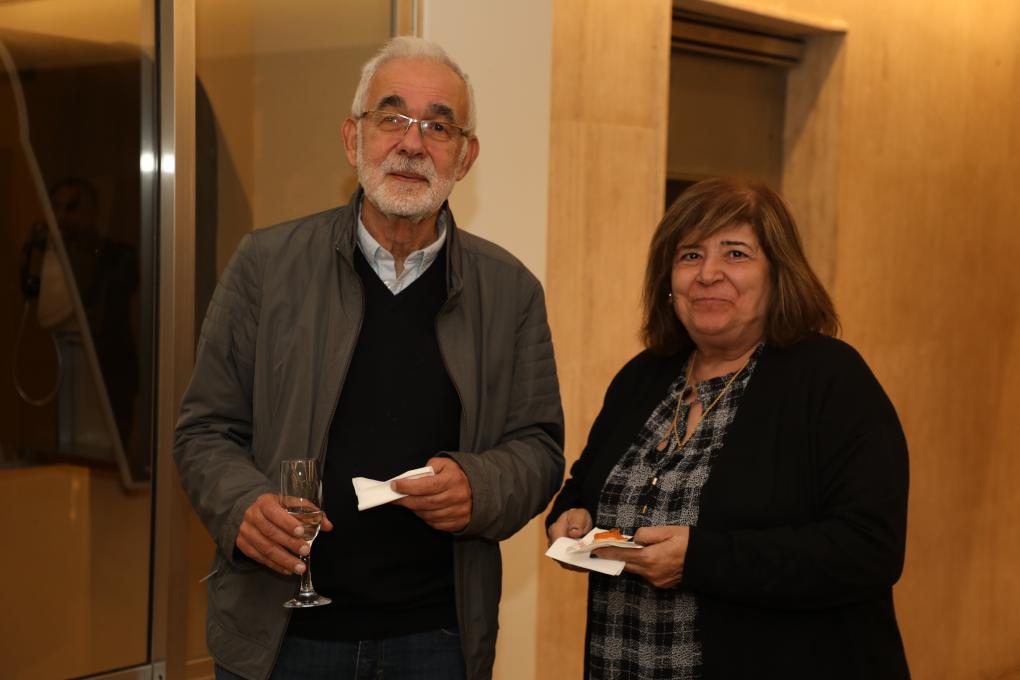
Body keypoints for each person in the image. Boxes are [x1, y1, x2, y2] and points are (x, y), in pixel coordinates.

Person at [175, 37, 564, 680]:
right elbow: (204, 429)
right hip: (283, 635)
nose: (412, 144)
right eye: (392, 118)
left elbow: (540, 447)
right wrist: (241, 504)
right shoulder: (266, 266)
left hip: (438, 638)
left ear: (465, 156)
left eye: (438, 126)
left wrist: (481, 485)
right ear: (353, 138)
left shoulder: (511, 290)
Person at [546, 177, 909, 679]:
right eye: (690, 255)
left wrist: (701, 560)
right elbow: (584, 485)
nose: (708, 274)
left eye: (735, 254)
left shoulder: (831, 379)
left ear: (779, 274)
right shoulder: (642, 377)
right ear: (668, 278)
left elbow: (869, 549)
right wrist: (570, 516)